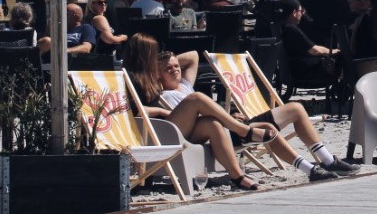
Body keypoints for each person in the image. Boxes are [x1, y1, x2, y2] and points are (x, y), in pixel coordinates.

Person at [125, 36, 355, 188]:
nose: (175, 70)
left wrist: (169, 61)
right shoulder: (157, 90)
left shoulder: (185, 84)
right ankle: (248, 137)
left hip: (224, 123)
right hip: (203, 129)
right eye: (168, 69)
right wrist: (156, 73)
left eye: (177, 66)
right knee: (202, 102)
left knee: (294, 107)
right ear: (156, 73)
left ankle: (319, 164)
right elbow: (137, 109)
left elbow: (193, 55)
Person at [275, 0, 338, 80]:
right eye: (301, 11)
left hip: (291, 68)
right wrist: (333, 51)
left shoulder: (279, 27)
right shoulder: (291, 29)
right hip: (303, 72)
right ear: (294, 12)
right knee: (339, 61)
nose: (302, 14)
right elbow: (315, 51)